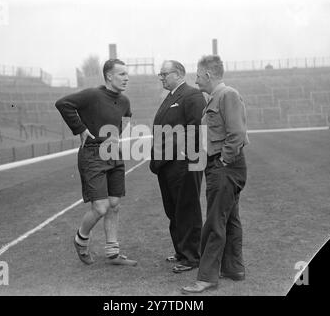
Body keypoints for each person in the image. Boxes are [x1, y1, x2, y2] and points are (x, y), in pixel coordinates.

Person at [55, 59, 137, 267]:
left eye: (127, 74)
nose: (126, 78)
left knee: (114, 205)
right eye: (122, 74)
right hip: (93, 154)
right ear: (109, 76)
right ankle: (80, 239)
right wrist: (81, 129)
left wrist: (117, 137)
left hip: (114, 152)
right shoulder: (93, 95)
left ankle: (113, 253)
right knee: (100, 207)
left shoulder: (125, 101)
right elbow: (63, 104)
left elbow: (125, 120)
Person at [182, 55, 249, 293]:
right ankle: (234, 269)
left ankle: (207, 277)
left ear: (208, 75)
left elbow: (237, 134)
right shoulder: (216, 97)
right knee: (229, 218)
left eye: (198, 75)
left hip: (225, 166)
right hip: (222, 165)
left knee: (213, 222)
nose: (196, 79)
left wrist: (222, 161)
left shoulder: (227, 94)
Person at [149, 60, 206, 273]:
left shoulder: (191, 95)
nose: (161, 77)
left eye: (164, 74)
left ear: (179, 73)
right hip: (168, 165)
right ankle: (182, 252)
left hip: (184, 164)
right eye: (160, 74)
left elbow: (196, 130)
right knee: (174, 211)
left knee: (187, 210)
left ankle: (192, 257)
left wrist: (182, 158)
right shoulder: (172, 96)